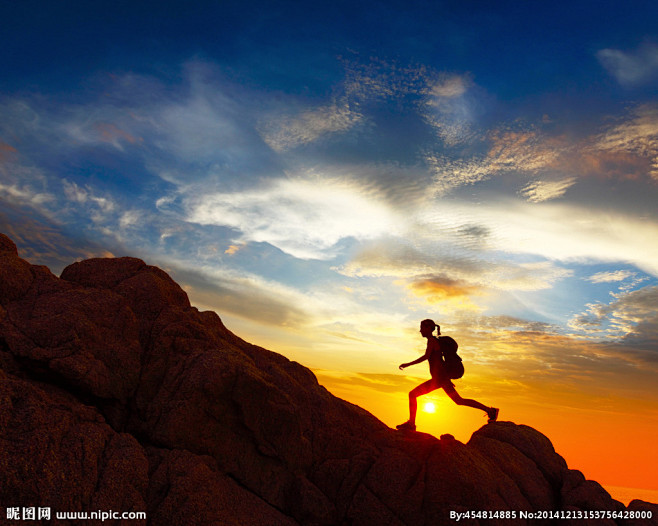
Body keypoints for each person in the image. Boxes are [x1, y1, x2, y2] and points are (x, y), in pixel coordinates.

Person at [396, 319, 498, 431]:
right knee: (459, 401)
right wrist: (446, 379)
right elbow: (439, 362)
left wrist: (407, 364)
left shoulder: (432, 341)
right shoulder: (434, 341)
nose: (420, 330)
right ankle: (490, 411)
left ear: (428, 328)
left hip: (439, 379)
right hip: (442, 379)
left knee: (412, 394)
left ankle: (411, 424)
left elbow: (426, 357)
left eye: (422, 328)